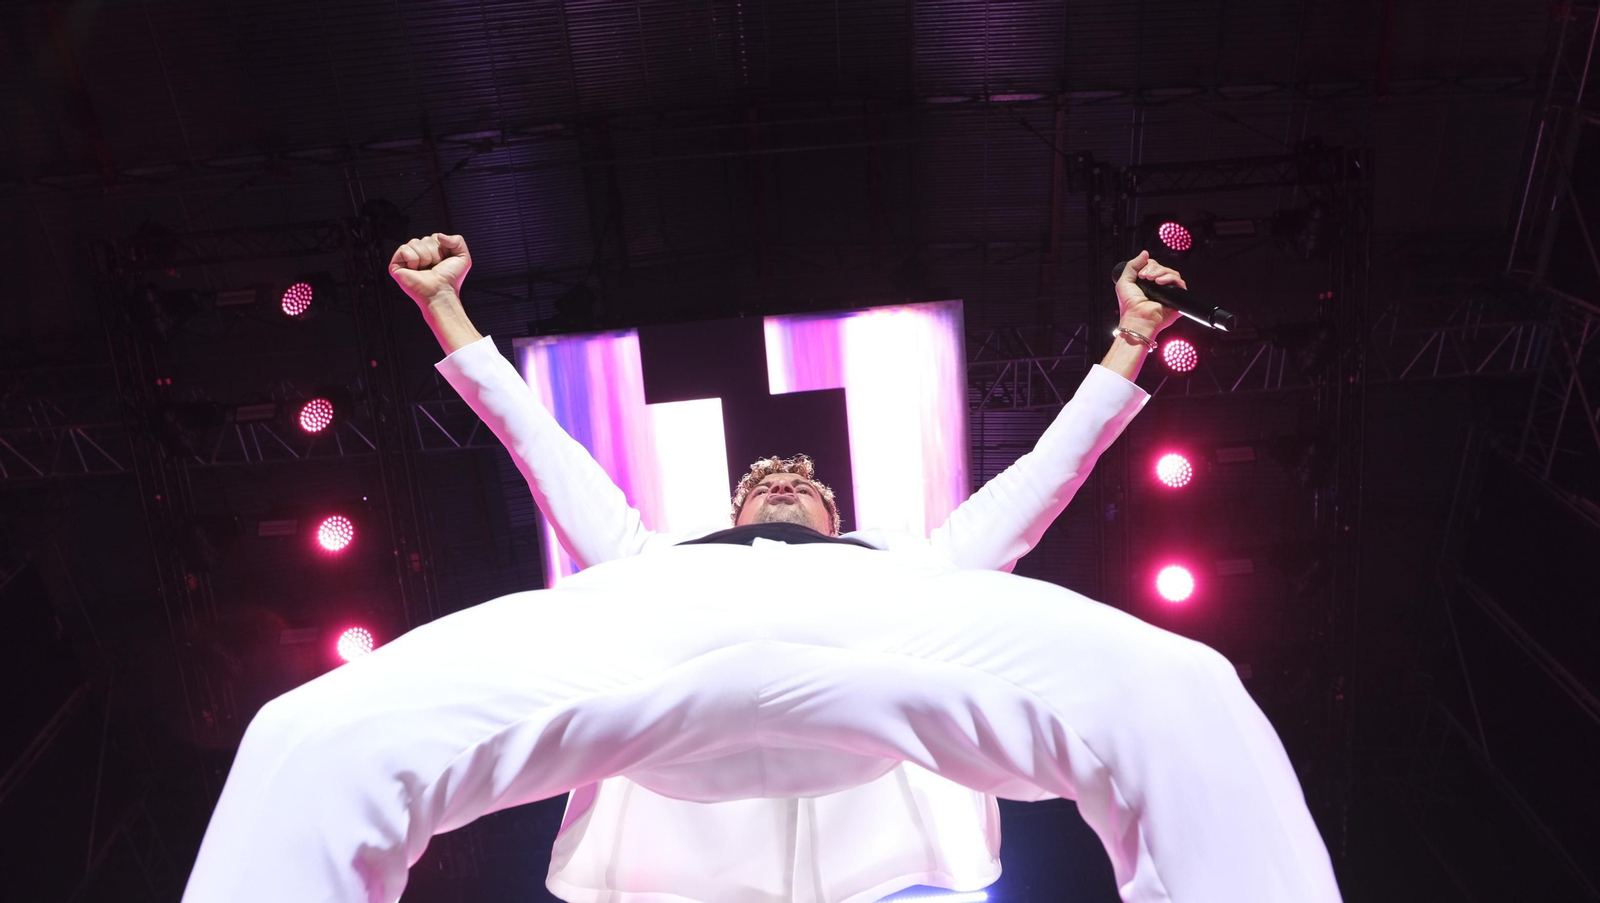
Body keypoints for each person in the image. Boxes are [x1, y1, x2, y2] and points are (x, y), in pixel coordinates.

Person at [180, 233, 1343, 903]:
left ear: (836, 508)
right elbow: (547, 453)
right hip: (662, 629)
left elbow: (1036, 484)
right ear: (731, 506)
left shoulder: (915, 561)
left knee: (1180, 693)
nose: (781, 479)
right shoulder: (644, 555)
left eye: (802, 478)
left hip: (881, 633)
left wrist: (1130, 346)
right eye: (763, 479)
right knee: (309, 739)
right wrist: (447, 315)